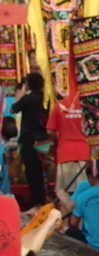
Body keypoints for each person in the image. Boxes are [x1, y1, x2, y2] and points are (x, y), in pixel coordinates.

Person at [46, 88, 90, 202]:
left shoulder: (59, 106)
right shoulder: (87, 105)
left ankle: (68, 218)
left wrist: (57, 140)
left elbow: (50, 131)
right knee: (85, 191)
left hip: (65, 153)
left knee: (65, 194)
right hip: (84, 153)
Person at [12, 72, 48, 206]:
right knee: (43, 171)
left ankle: (37, 201)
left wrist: (20, 95)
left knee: (32, 172)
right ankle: (43, 199)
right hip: (44, 140)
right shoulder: (45, 97)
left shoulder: (28, 98)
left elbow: (13, 109)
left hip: (29, 140)